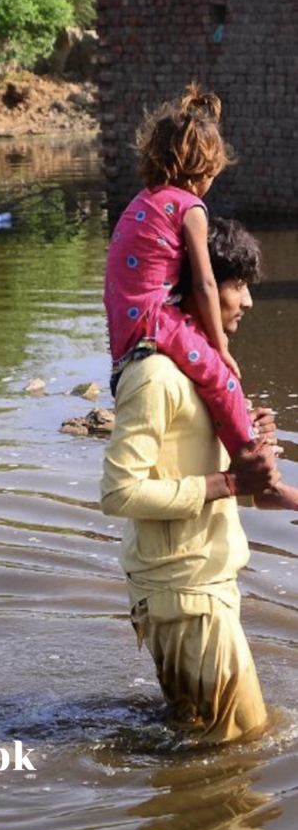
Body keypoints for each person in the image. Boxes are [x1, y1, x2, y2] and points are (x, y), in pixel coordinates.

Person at [102, 217, 298, 743]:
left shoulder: (202, 371)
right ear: (199, 287)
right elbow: (119, 493)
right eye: (237, 285)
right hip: (185, 594)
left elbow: (222, 479)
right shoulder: (156, 375)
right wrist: (230, 482)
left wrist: (249, 449)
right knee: (241, 746)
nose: (248, 302)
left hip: (198, 587)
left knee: (205, 747)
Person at [104, 85, 256, 458]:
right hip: (154, 320)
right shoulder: (189, 208)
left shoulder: (141, 201)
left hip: (125, 323)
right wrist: (221, 348)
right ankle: (253, 467)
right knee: (223, 379)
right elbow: (205, 283)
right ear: (206, 168)